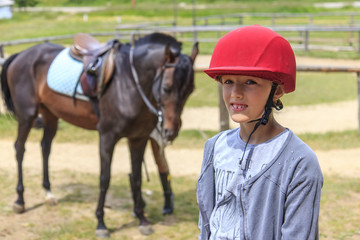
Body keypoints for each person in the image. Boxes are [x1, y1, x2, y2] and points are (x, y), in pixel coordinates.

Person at [196, 25, 323, 240]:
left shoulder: (299, 162)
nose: (235, 93)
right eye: (228, 82)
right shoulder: (214, 148)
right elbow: (206, 225)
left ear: (278, 91)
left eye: (250, 82)